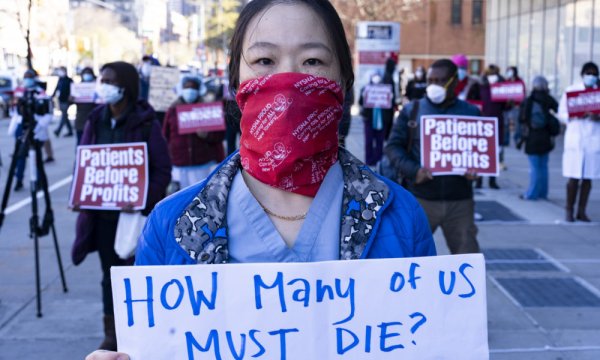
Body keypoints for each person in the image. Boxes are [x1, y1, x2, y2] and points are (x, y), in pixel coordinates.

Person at [85, 1, 435, 358]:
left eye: (312, 61)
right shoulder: (170, 225)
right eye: (264, 61)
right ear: (235, 80)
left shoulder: (401, 217)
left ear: (344, 80)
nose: (287, 79)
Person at [72, 61, 172, 351]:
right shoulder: (95, 119)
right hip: (102, 216)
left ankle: (138, 327)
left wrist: (142, 199)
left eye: (108, 80)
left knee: (135, 274)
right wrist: (80, 193)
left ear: (124, 87)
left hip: (133, 219)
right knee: (109, 276)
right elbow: (85, 162)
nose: (102, 84)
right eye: (101, 79)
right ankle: (112, 333)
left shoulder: (146, 123)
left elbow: (162, 170)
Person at [385, 59, 481, 255]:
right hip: (421, 199)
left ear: (454, 82)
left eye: (440, 80)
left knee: (467, 259)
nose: (434, 86)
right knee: (410, 259)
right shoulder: (412, 111)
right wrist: (414, 171)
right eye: (431, 80)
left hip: (460, 201)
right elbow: (393, 147)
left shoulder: (471, 113)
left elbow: (480, 150)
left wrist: (476, 169)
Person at [163, 76, 225, 193]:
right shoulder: (172, 110)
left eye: (193, 87)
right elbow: (165, 136)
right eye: (187, 87)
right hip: (179, 165)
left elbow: (220, 136)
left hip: (204, 165)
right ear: (182, 89)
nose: (190, 91)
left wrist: (207, 135)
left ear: (199, 89)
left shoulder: (209, 110)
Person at [557, 61, 600, 222]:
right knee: (573, 177)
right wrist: (573, 116)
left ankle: (582, 210)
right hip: (576, 139)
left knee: (588, 178)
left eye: (594, 74)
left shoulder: (598, 93)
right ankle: (569, 209)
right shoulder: (572, 91)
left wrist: (597, 117)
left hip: (593, 139)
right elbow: (562, 113)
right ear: (582, 75)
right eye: (588, 73)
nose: (591, 76)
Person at [9, 69, 54, 191]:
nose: (27, 79)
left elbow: (48, 112)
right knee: (20, 156)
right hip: (21, 126)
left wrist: (39, 126)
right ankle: (19, 180)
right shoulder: (19, 92)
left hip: (36, 127)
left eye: (29, 77)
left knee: (36, 156)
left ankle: (39, 181)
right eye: (25, 77)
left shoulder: (41, 93)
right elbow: (14, 109)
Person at [516, 76, 559, 200]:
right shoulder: (549, 99)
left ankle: (532, 193)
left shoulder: (529, 100)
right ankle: (543, 193)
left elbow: (521, 118)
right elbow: (558, 109)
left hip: (532, 136)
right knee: (544, 166)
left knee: (534, 167)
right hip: (546, 136)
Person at [477, 64, 506, 189]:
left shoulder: (501, 88)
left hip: (497, 124)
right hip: (482, 124)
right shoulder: (480, 88)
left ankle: (492, 180)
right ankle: (478, 180)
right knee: (480, 153)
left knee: (494, 154)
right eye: (491, 74)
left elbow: (505, 106)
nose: (493, 77)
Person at [359, 72, 389, 166]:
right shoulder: (366, 88)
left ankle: (378, 160)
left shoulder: (385, 89)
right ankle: (369, 161)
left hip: (382, 119)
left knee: (380, 141)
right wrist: (363, 96)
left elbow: (390, 105)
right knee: (369, 141)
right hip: (369, 119)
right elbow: (360, 102)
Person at [503, 66, 526, 164]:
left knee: (517, 124)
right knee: (506, 123)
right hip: (507, 106)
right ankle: (506, 140)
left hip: (516, 106)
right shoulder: (506, 81)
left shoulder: (520, 81)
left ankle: (517, 138)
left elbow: (522, 93)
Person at [72, 67, 98, 145]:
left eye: (89, 73)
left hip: (94, 120)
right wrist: (71, 99)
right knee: (80, 143)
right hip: (80, 121)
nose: (87, 75)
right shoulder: (77, 88)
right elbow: (70, 103)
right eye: (85, 73)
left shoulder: (97, 87)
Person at [52, 66, 74, 137]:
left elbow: (73, 90)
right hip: (60, 100)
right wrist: (52, 95)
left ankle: (58, 131)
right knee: (65, 116)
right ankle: (70, 131)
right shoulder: (60, 79)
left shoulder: (69, 80)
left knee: (64, 116)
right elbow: (56, 88)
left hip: (66, 101)